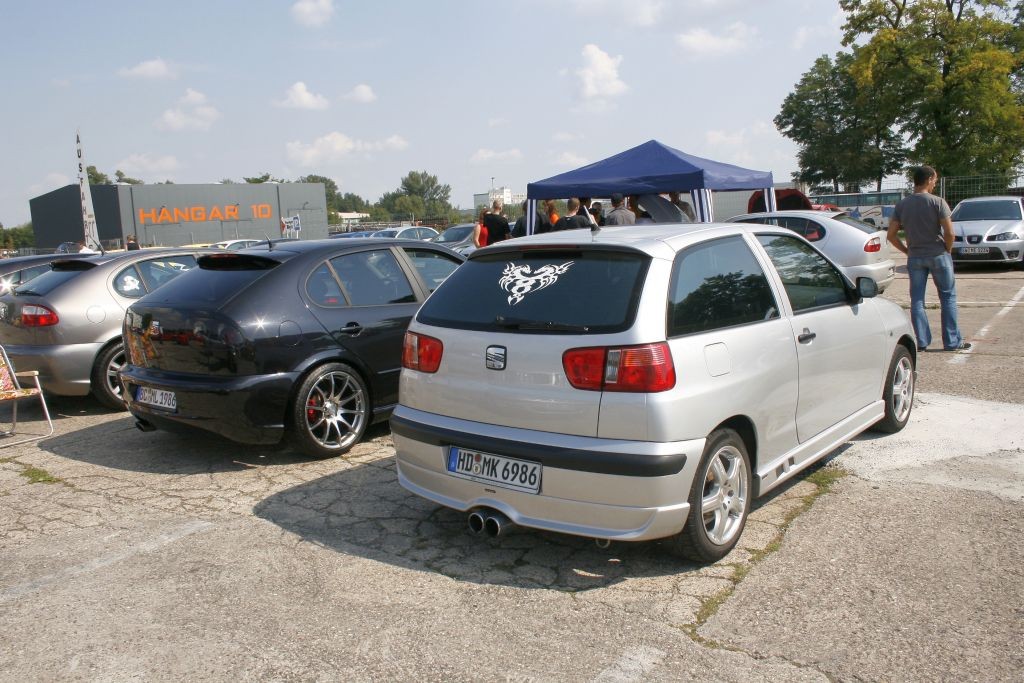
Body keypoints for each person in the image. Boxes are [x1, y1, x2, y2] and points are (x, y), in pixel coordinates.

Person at [887, 165, 970, 352]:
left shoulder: (902, 205)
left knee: (917, 300)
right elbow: (949, 233)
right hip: (938, 254)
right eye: (935, 180)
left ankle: (922, 341)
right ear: (929, 179)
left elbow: (891, 235)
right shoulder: (938, 202)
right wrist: (947, 249)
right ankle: (952, 342)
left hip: (915, 256)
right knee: (947, 297)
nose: (935, 184)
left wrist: (907, 251)